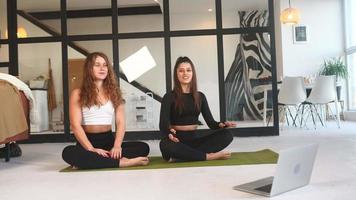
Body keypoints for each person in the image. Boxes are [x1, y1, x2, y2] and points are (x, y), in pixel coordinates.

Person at [62, 52, 149, 169]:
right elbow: (75, 125)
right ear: (89, 68)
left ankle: (92, 161)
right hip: (86, 142)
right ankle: (122, 162)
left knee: (143, 147)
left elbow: (120, 123)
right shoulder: (77, 93)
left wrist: (117, 146)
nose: (102, 68)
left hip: (108, 142)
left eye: (105, 65)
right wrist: (91, 149)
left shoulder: (114, 93)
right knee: (67, 152)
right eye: (97, 65)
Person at [159, 56, 235, 162]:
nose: (185, 73)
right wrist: (169, 133)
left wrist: (222, 124)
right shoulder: (169, 97)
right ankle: (208, 156)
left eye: (188, 70)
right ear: (176, 75)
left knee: (227, 135)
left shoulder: (200, 96)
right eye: (181, 71)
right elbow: (163, 124)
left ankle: (184, 156)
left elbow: (211, 123)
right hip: (176, 141)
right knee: (165, 145)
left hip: (195, 141)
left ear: (193, 73)